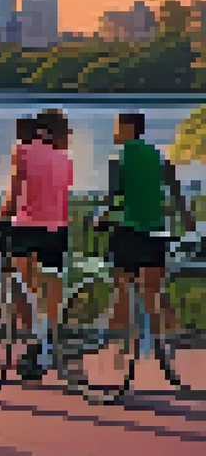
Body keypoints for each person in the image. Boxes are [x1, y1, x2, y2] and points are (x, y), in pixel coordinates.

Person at [98, 112, 196, 348]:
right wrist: (187, 218)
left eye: (117, 127)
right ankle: (162, 339)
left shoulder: (119, 157)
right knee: (152, 289)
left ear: (128, 129)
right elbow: (174, 187)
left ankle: (114, 344)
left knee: (122, 285)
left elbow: (114, 197)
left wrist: (100, 219)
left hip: (128, 229)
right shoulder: (158, 155)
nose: (114, 133)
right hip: (156, 230)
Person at [0, 108, 73, 376]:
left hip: (28, 226)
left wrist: (1, 216)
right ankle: (48, 340)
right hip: (58, 228)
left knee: (20, 284)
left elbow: (17, 187)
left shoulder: (23, 150)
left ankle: (33, 340)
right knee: (51, 287)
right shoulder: (64, 158)